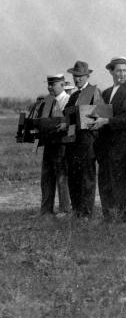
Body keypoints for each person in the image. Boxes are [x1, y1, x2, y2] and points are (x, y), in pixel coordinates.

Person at [90, 56, 126, 224]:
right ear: (111, 71)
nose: (122, 74)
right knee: (104, 180)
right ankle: (108, 217)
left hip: (121, 145)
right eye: (118, 70)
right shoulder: (106, 93)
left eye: (124, 71)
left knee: (119, 181)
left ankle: (123, 218)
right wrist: (94, 120)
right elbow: (101, 115)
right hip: (104, 145)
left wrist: (106, 121)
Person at [60, 60, 103, 219]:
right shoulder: (74, 95)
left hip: (87, 142)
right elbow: (66, 116)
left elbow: (102, 116)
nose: (77, 79)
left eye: (80, 76)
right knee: (74, 177)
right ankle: (77, 210)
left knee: (87, 178)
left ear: (87, 76)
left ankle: (86, 213)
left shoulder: (94, 91)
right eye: (75, 76)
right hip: (72, 143)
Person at [39, 74, 71, 217]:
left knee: (61, 177)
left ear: (63, 85)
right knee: (46, 176)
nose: (50, 87)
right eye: (49, 84)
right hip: (49, 143)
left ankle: (65, 209)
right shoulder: (47, 101)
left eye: (53, 84)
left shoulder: (68, 100)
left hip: (62, 144)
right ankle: (46, 210)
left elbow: (67, 123)